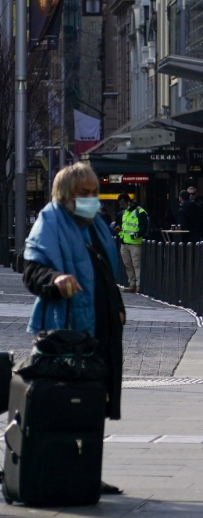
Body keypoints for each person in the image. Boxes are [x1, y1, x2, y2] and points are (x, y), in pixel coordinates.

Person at [21, 163, 126, 495]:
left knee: (93, 403)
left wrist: (118, 308)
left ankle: (87, 470)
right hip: (67, 334)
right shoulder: (50, 222)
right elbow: (31, 269)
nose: (92, 199)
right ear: (66, 195)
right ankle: (61, 470)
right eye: (85, 193)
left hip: (100, 332)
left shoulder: (94, 226)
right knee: (67, 404)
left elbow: (105, 273)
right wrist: (55, 279)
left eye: (95, 193)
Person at [112, 192, 149, 293]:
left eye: (123, 203)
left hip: (135, 242)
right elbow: (124, 226)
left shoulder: (139, 211)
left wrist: (137, 234)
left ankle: (138, 285)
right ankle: (132, 284)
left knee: (136, 264)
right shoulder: (125, 212)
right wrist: (119, 228)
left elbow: (144, 226)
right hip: (124, 242)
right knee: (128, 264)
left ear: (128, 201)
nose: (121, 206)